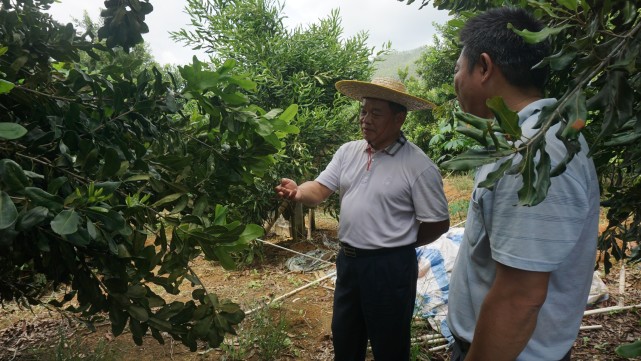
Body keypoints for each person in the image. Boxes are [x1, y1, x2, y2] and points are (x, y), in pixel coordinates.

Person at [446, 7, 600, 361]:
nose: (455, 80)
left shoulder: (530, 154)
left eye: (457, 68)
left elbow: (520, 297)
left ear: (483, 67)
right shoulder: (533, 138)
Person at [275, 77, 450, 361]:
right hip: (349, 263)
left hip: (390, 269)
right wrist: (297, 192)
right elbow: (318, 190)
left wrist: (397, 243)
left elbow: (438, 223)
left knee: (390, 345)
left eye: (376, 113)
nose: (365, 119)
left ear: (399, 118)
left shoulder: (418, 166)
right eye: (363, 111)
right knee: (346, 338)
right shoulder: (348, 152)